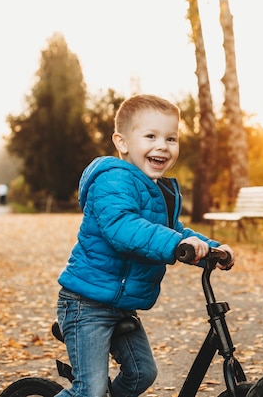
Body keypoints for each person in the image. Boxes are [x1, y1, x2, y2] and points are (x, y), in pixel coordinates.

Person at [56, 94, 235, 397]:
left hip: (123, 307)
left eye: (171, 138)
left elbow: (174, 230)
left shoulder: (161, 192)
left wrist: (213, 247)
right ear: (122, 142)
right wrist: (177, 243)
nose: (162, 145)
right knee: (91, 390)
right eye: (150, 136)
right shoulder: (112, 181)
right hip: (86, 303)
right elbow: (123, 229)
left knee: (142, 374)